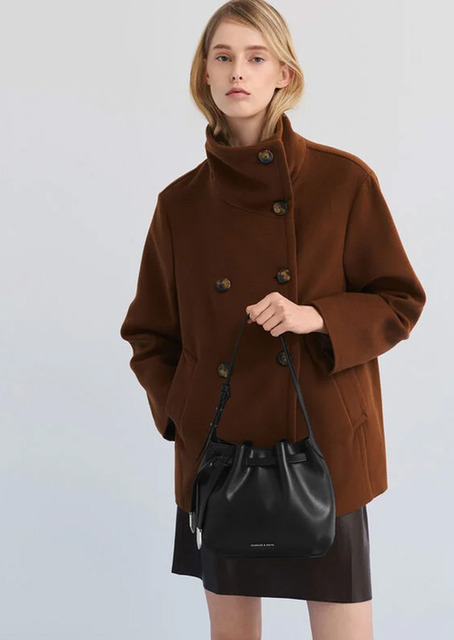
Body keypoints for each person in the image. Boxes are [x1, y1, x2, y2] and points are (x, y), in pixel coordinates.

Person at [120, 1, 426, 638]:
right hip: (221, 455)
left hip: (325, 452)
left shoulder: (342, 182)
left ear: (283, 73)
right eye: (224, 56)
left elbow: (399, 300)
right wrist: (186, 413)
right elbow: (149, 334)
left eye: (256, 57)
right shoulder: (180, 205)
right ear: (205, 73)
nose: (239, 71)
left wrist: (315, 316)